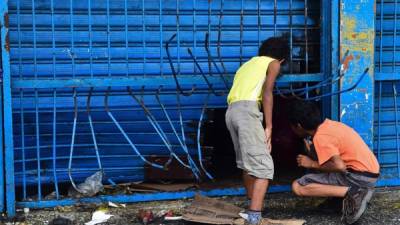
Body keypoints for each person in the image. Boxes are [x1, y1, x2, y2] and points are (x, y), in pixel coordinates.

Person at [225, 37, 288, 225]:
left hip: (231, 112)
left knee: (247, 165)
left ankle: (252, 207)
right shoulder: (274, 63)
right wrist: (269, 126)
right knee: (264, 167)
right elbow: (267, 93)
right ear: (282, 59)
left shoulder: (246, 66)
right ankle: (254, 216)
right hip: (247, 112)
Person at [288, 100, 380, 224]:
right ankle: (339, 200)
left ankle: (355, 193)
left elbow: (339, 166)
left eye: (291, 126)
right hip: (369, 173)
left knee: (298, 186)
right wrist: (311, 153)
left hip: (358, 176)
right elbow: (333, 160)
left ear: (298, 126)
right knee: (322, 169)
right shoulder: (329, 125)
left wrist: (310, 163)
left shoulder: (321, 137)